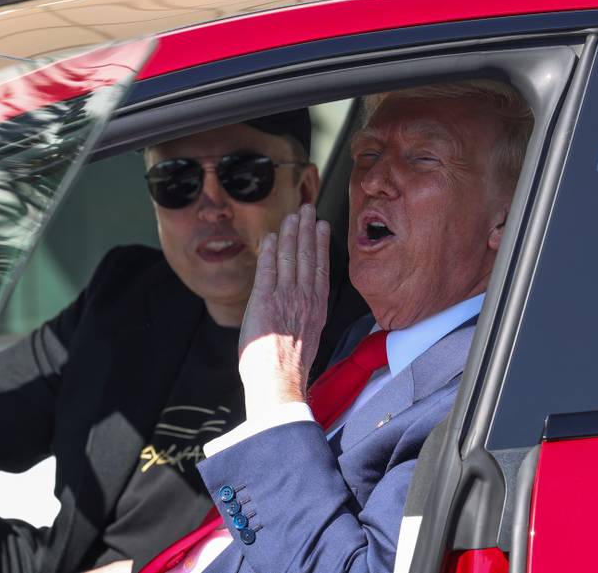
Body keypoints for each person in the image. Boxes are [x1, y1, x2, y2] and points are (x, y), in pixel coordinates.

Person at [0, 109, 365, 573]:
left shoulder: (364, 328)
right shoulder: (125, 294)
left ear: (306, 190)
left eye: (243, 175)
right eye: (175, 180)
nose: (211, 205)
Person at [139, 80, 533, 573]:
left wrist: (274, 390)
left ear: (507, 215)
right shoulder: (364, 342)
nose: (372, 181)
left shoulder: (483, 395)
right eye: (367, 154)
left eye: (422, 159)